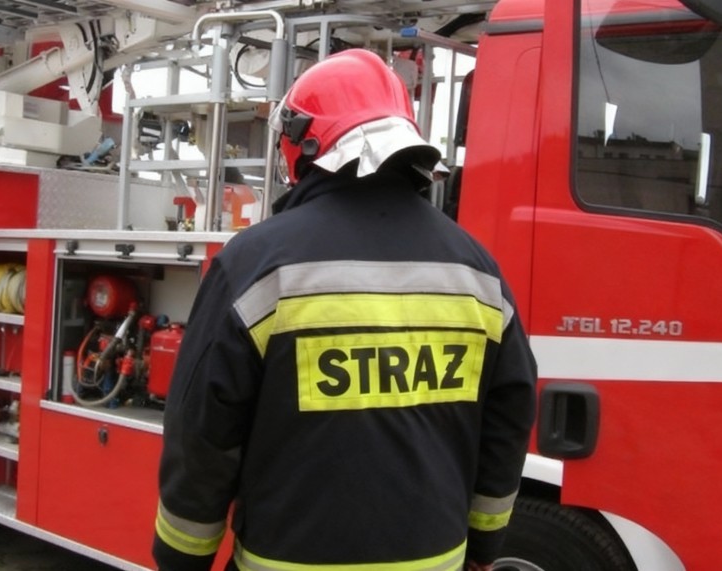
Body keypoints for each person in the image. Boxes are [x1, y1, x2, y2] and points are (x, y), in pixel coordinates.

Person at [152, 48, 537, 571]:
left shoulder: (255, 263)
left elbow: (203, 431)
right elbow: (508, 419)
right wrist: (484, 547)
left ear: (303, 143)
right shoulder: (479, 272)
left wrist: (181, 557)